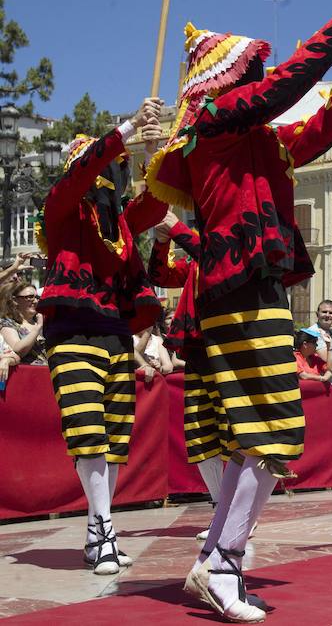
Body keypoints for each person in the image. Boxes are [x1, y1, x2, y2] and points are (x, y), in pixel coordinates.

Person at [145, 0, 332, 620]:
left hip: (256, 289)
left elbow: (323, 125)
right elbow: (289, 82)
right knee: (273, 433)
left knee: (258, 438)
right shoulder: (216, 123)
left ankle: (217, 560)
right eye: (248, 71)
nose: (257, 79)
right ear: (224, 83)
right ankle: (223, 562)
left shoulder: (257, 142)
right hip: (242, 289)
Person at [38, 97, 166, 576]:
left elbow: (154, 203)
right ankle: (105, 532)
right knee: (88, 432)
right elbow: (78, 176)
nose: (114, 181)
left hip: (115, 331)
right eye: (108, 171)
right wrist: (128, 127)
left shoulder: (121, 225)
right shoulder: (62, 207)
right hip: (70, 329)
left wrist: (155, 152)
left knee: (114, 440)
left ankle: (98, 530)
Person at [147, 210, 228, 541]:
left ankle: (239, 514)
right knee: (199, 431)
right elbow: (161, 274)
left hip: (226, 347)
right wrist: (162, 240)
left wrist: (177, 229)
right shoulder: (196, 256)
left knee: (232, 431)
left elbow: (219, 260)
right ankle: (223, 510)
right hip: (197, 350)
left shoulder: (224, 244)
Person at [0, 281, 48, 365]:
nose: (35, 301)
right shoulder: (8, 323)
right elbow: (18, 350)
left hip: (49, 374)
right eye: (29, 297)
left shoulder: (44, 322)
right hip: (26, 375)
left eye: (37, 297)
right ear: (15, 300)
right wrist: (38, 328)